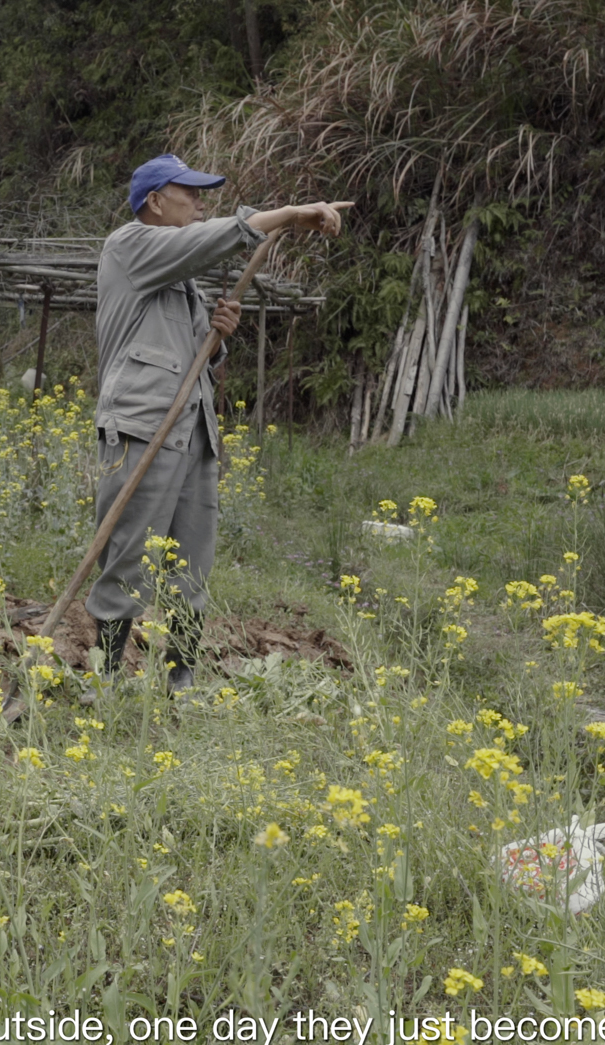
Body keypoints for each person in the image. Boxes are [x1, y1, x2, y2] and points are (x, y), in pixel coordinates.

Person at [89, 153, 352, 692]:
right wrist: (287, 215)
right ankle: (106, 686)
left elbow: (185, 362)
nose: (199, 202)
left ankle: (179, 686)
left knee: (191, 569)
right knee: (128, 560)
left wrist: (215, 340)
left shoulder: (181, 281)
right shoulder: (129, 246)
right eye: (189, 193)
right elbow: (212, 239)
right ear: (155, 201)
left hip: (192, 433)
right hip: (143, 428)